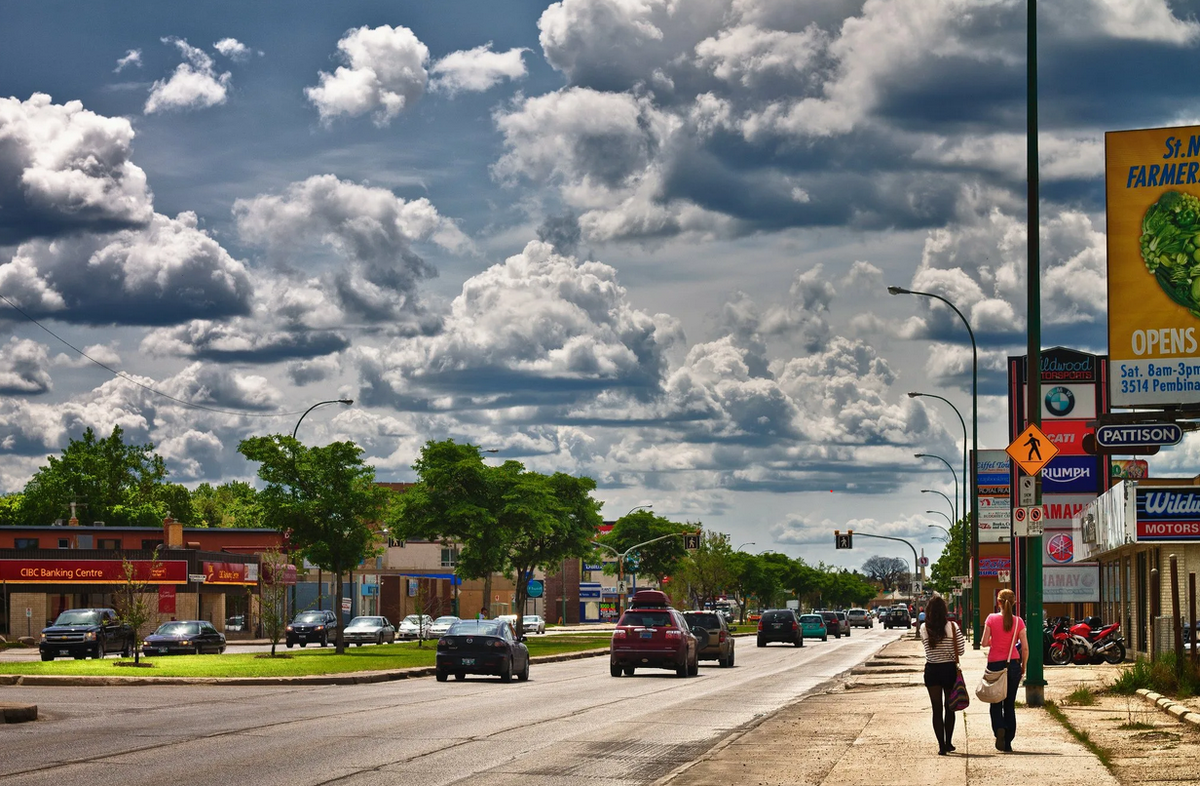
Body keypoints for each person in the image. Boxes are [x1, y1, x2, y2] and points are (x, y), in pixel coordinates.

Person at [980, 588, 1029, 752]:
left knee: (995, 702)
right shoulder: (1019, 622)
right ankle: (1008, 741)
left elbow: (984, 642)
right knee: (1009, 704)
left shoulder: (991, 619)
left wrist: (996, 639)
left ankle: (998, 728)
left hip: (994, 664)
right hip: (1013, 664)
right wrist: (1024, 666)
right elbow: (1026, 648)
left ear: (998, 602)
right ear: (1014, 602)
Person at [919, 595, 965, 755]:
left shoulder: (924, 628)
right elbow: (961, 650)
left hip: (932, 670)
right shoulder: (952, 627)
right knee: (950, 707)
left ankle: (941, 746)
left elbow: (925, 646)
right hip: (948, 670)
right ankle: (948, 742)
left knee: (936, 710)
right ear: (944, 610)